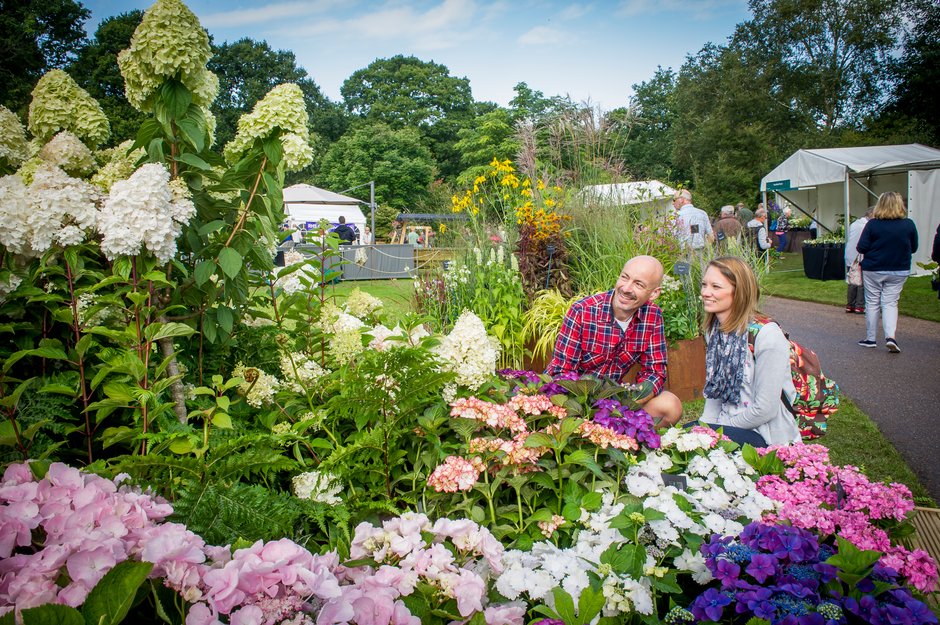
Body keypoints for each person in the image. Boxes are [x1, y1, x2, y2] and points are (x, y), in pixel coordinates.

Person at [546, 255, 683, 427]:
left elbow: (655, 372)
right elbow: (561, 374)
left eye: (638, 284)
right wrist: (587, 409)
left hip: (613, 401)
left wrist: (629, 402)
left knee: (671, 405)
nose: (626, 288)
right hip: (573, 402)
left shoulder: (653, 316)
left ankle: (627, 444)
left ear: (654, 293)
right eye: (625, 277)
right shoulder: (583, 311)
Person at [698, 256, 801, 447]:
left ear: (739, 292)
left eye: (716, 287)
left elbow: (765, 409)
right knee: (681, 440)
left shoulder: (767, 335)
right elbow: (715, 393)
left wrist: (717, 432)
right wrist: (704, 428)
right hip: (726, 424)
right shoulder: (714, 331)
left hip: (764, 435)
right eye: (704, 285)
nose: (705, 292)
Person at [856, 191, 918, 353]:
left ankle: (871, 338)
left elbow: (861, 247)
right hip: (899, 268)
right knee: (890, 303)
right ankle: (890, 336)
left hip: (874, 268)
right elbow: (914, 247)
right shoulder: (909, 224)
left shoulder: (873, 225)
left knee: (872, 302)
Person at [844, 209, 872, 314]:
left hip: (850, 255)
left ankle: (850, 304)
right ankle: (860, 305)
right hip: (859, 256)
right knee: (861, 282)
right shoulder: (867, 225)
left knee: (852, 280)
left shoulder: (855, 224)